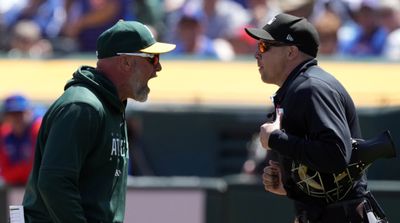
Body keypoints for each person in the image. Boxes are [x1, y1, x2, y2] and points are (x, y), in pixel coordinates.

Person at [22, 20, 175, 223]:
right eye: (152, 59)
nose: (158, 68)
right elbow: (54, 182)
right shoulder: (83, 106)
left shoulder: (109, 105)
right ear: (126, 62)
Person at [245, 13, 386, 222]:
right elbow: (329, 174)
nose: (257, 54)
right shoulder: (298, 88)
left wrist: (276, 139)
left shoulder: (312, 88)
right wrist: (291, 186)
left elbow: (336, 155)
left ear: (291, 51)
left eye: (265, 46)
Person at [0, 94, 42, 186]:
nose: (17, 118)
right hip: (15, 185)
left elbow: (37, 169)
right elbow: (5, 173)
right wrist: (24, 169)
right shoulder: (4, 133)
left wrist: (17, 171)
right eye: (12, 114)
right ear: (6, 116)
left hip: (38, 185)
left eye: (20, 113)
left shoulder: (38, 130)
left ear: (29, 112)